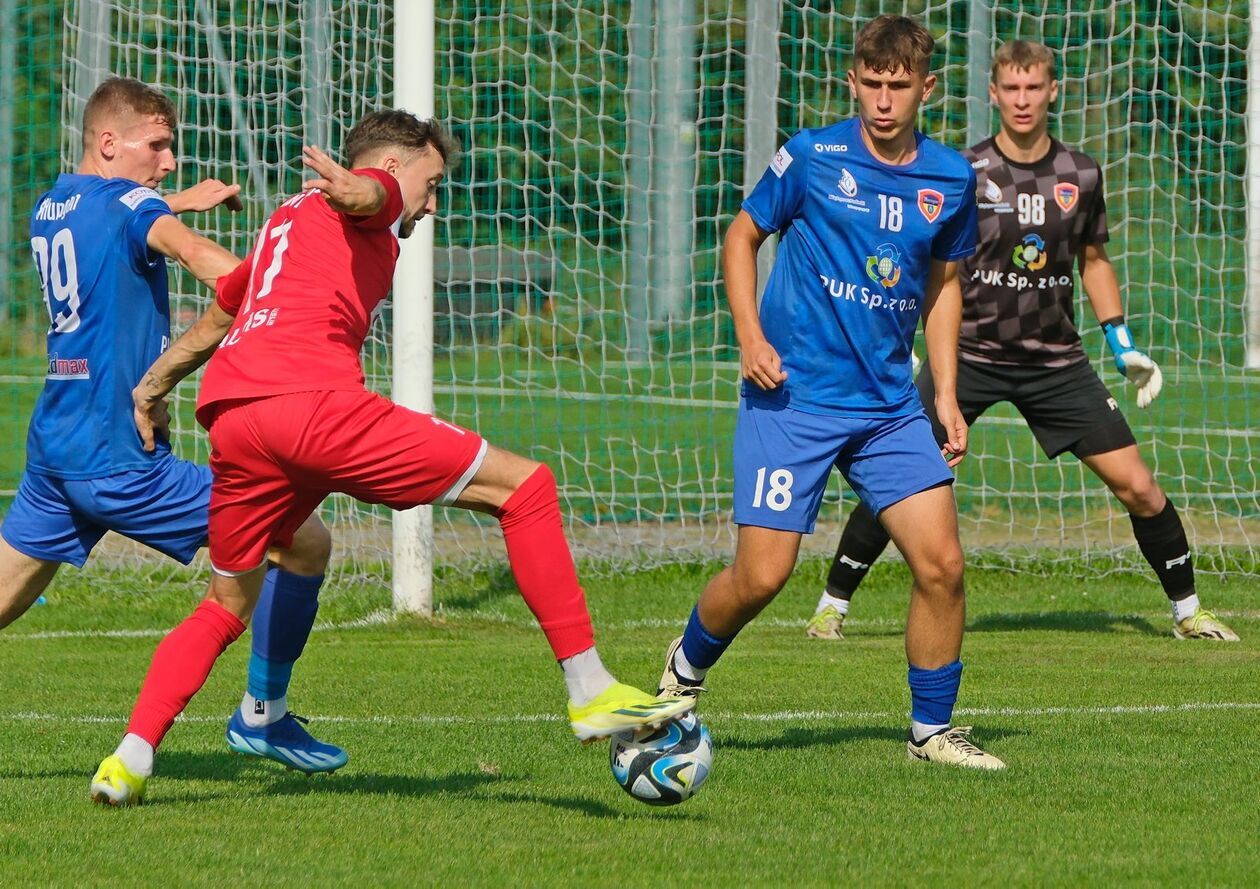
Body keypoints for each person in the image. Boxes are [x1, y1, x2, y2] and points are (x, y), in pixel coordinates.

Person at [89, 109, 695, 805]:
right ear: (396, 166)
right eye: (431, 184)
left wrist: (152, 386)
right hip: (312, 407)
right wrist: (363, 191)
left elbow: (223, 314)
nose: (431, 203)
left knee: (236, 595)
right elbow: (374, 193)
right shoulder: (367, 199)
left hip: (235, 422)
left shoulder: (285, 223)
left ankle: (137, 756)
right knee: (525, 488)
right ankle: (590, 687)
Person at [806, 39, 1239, 644]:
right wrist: (907, 335)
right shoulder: (963, 171)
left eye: (1033, 88)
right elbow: (934, 265)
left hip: (1055, 362)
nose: (1022, 100)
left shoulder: (1080, 173)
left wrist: (1121, 341)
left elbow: (1093, 259)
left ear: (1051, 90)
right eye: (1011, 88)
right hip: (970, 356)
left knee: (1138, 484)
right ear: (993, 93)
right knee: (902, 477)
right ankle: (832, 607)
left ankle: (1188, 610)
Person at [657, 16, 1004, 769]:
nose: (884, 101)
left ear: (926, 88)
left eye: (899, 86)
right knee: (763, 576)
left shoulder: (949, 178)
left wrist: (945, 392)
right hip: (794, 398)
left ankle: (931, 733)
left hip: (887, 408)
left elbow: (945, 286)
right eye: (872, 84)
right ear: (853, 81)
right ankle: (680, 674)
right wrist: (750, 336)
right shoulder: (813, 157)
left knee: (941, 563)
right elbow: (742, 234)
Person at [1, 77, 345, 777]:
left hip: (55, 446)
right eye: (156, 146)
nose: (168, 162)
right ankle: (265, 714)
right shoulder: (136, 208)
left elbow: (119, 216)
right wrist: (278, 292)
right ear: (108, 142)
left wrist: (174, 204)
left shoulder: (51, 206)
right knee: (304, 542)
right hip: (121, 457)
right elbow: (213, 269)